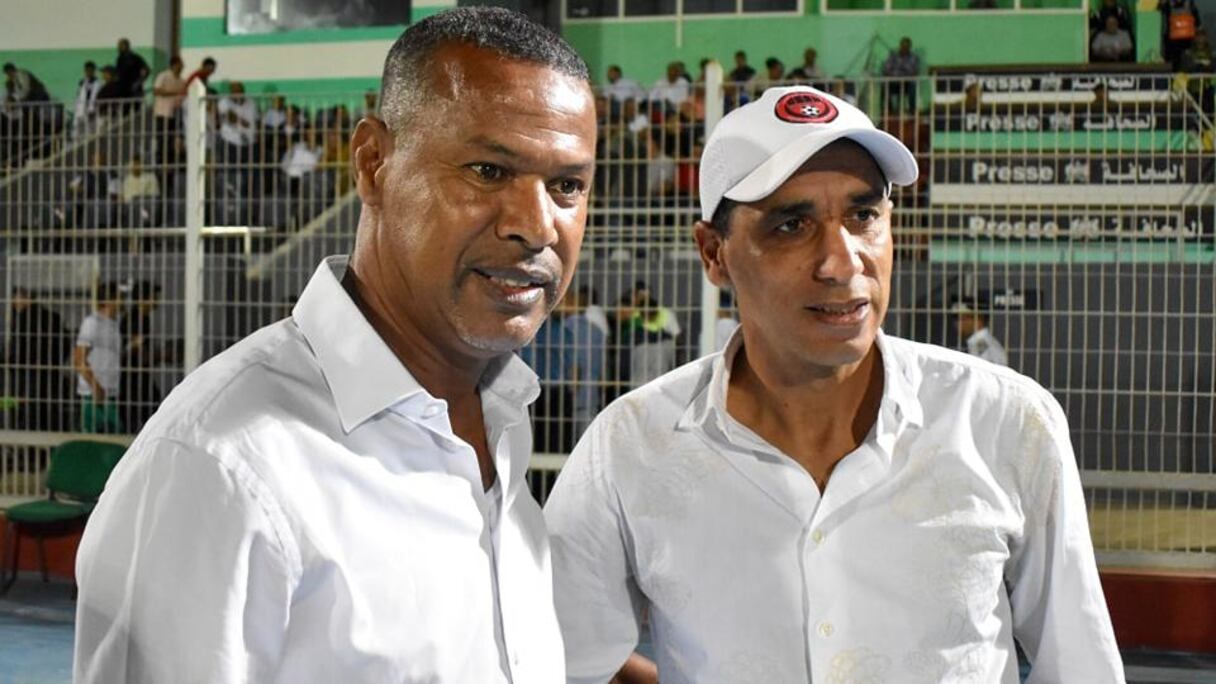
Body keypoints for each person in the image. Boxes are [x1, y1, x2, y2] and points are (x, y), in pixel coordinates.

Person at [74, 7, 596, 683]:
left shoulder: (500, 423)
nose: (537, 226)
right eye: (488, 171)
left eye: (567, 185)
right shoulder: (223, 465)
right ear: (374, 164)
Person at [546, 85, 1124, 683]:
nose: (843, 262)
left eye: (863, 216)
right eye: (792, 225)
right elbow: (559, 659)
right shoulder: (631, 446)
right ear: (715, 254)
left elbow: (1081, 668)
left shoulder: (1003, 422)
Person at [7, 286, 71, 431]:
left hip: (27, 375)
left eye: (15, 299)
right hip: (50, 375)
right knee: (49, 416)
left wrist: (10, 361)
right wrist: (55, 363)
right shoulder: (53, 317)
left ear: (25, 298)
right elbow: (65, 343)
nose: (13, 303)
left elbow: (17, 348)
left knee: (27, 416)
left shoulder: (23, 318)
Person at [72, 281, 124, 434]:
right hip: (94, 394)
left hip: (109, 392)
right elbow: (79, 359)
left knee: (115, 434)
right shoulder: (92, 323)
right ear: (109, 300)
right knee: (93, 438)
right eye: (119, 297)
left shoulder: (114, 324)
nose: (122, 301)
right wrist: (95, 387)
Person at [152, 56, 186, 171]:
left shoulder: (182, 81)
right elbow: (156, 91)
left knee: (172, 141)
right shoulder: (164, 76)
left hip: (175, 113)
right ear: (173, 65)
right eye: (180, 64)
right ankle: (161, 164)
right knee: (162, 141)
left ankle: (170, 165)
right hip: (162, 113)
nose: (182, 67)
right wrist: (174, 92)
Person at [953, 299, 1008, 366]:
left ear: (978, 319)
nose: (957, 323)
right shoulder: (979, 341)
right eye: (957, 319)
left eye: (963, 319)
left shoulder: (981, 344)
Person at [882, 36, 920, 113]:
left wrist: (899, 73)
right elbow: (886, 69)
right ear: (900, 45)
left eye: (906, 46)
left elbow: (913, 72)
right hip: (894, 81)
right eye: (903, 46)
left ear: (909, 47)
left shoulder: (913, 58)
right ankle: (889, 110)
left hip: (907, 83)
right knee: (884, 86)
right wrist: (900, 73)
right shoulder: (893, 56)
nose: (904, 48)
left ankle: (912, 111)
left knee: (913, 86)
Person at [73, 61, 102, 140]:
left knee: (91, 133)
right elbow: (78, 96)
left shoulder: (98, 83)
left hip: (92, 111)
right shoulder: (82, 82)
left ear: (94, 71)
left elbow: (95, 97)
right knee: (78, 134)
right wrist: (76, 108)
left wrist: (92, 109)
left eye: (90, 70)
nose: (88, 72)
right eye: (87, 70)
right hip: (80, 111)